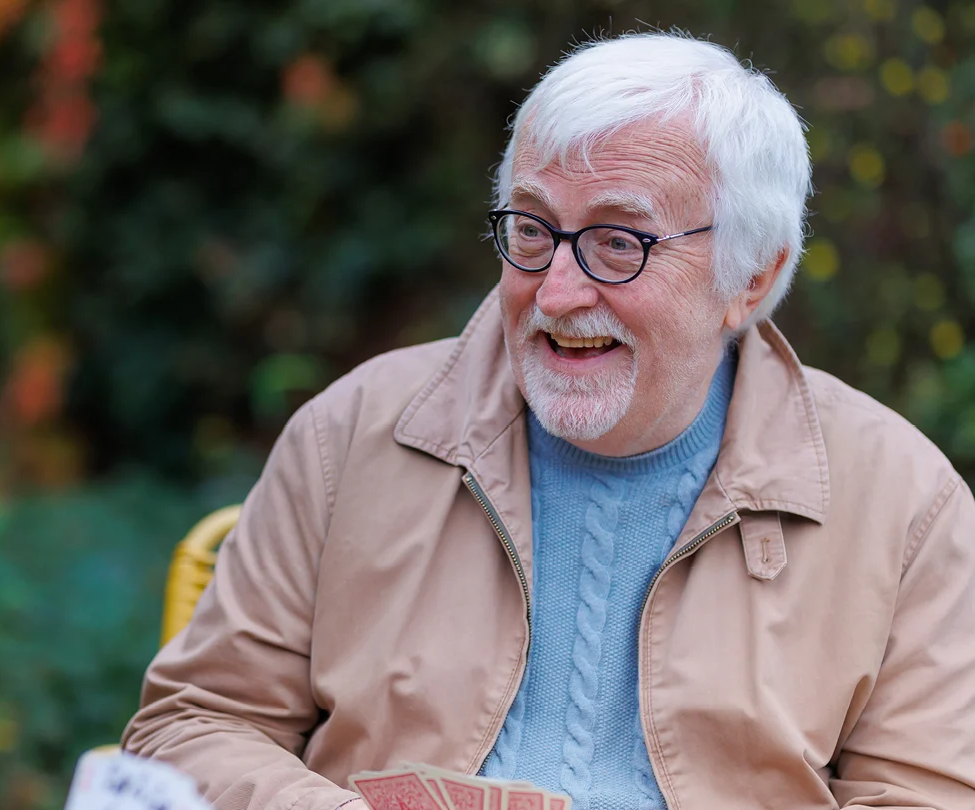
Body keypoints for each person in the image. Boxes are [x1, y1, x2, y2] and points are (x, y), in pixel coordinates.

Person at [122, 31, 975, 810]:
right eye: (532, 230)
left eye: (619, 243)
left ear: (749, 277)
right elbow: (190, 727)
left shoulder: (903, 503)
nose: (557, 294)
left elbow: (928, 797)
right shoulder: (353, 433)